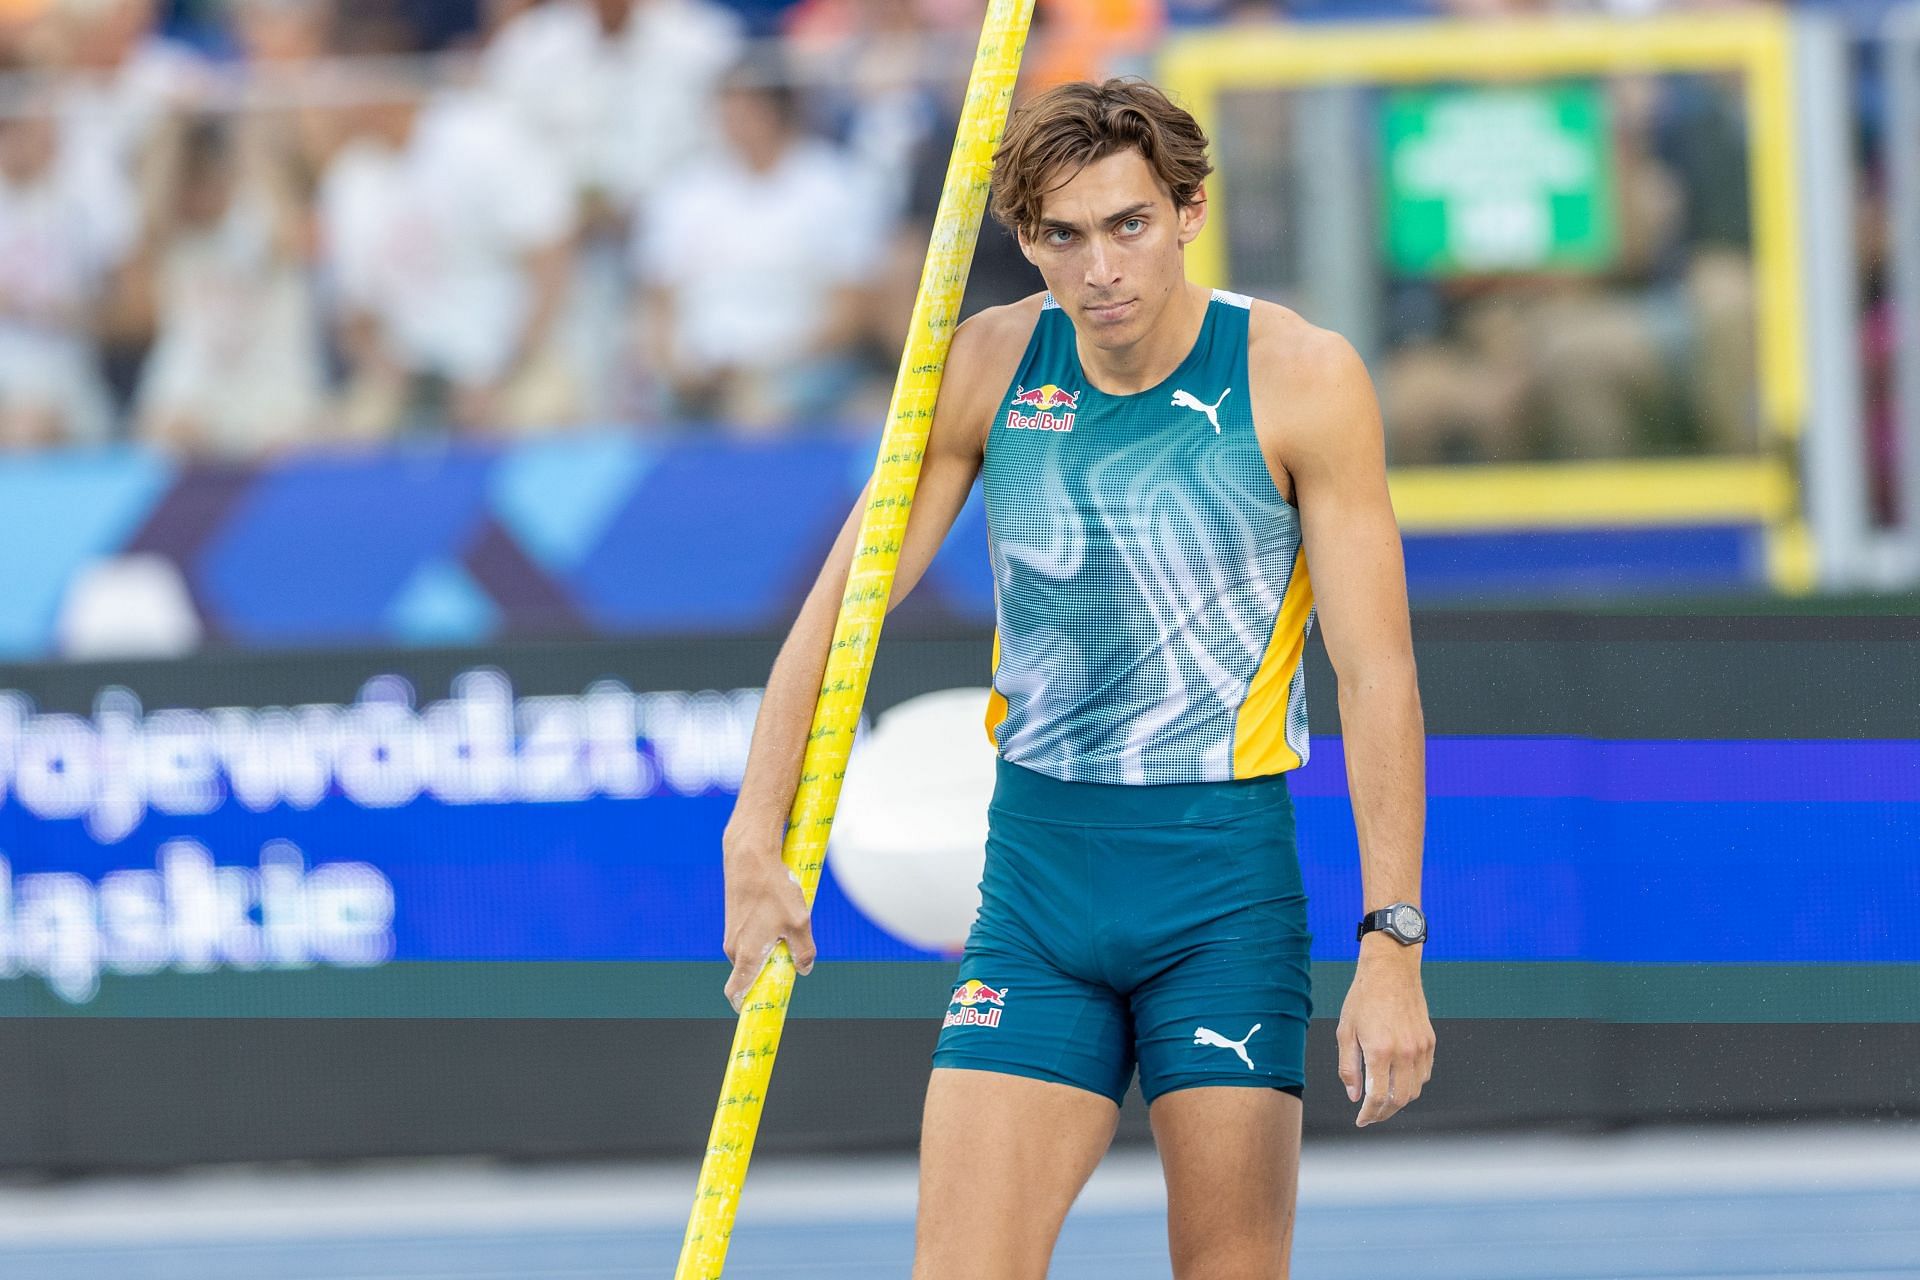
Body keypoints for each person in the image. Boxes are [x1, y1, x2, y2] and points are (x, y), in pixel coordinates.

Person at [722, 78, 1434, 1276]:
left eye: (1128, 225)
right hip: (1038, 890)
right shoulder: (988, 365)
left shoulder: (1302, 377)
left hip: (1220, 891)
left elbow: (1378, 679)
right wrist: (756, 827)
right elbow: (839, 611)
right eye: (1063, 235)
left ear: (1189, 211)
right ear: (1025, 240)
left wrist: (1393, 944)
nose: (1099, 267)